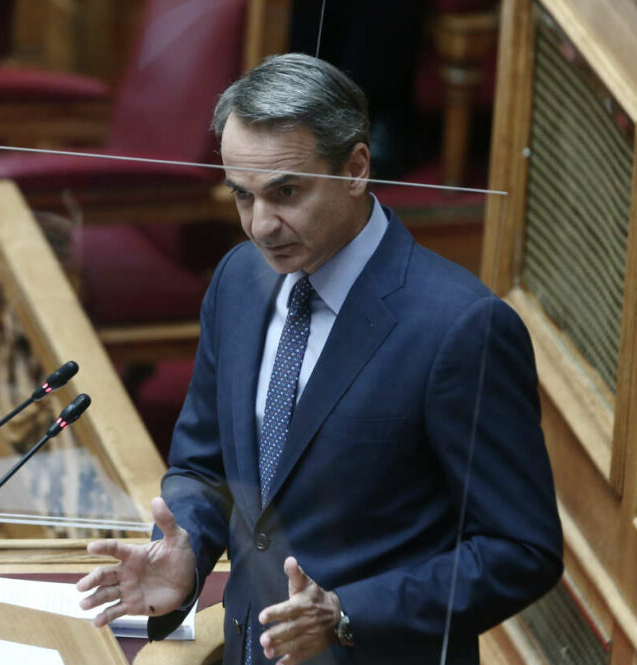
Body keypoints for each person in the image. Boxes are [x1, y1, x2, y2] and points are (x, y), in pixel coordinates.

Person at [77, 53, 562, 665]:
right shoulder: (238, 280)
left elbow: (520, 550)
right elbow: (204, 465)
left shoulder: (462, 328)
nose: (260, 225)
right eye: (242, 195)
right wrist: (187, 551)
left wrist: (348, 613)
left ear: (355, 168)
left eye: (286, 193)